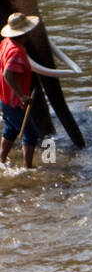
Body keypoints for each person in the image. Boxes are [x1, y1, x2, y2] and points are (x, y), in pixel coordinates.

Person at [1, 13, 41, 169]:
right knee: (31, 134)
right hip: (14, 101)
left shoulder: (6, 42)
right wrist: (21, 95)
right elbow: (7, 74)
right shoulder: (16, 52)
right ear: (24, 33)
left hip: (4, 98)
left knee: (10, 128)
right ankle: (27, 167)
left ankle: (1, 160)